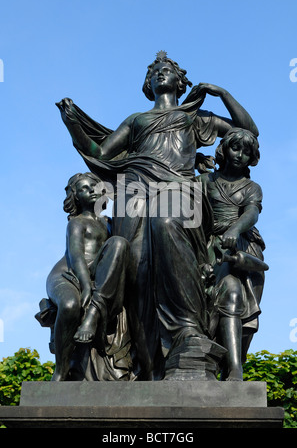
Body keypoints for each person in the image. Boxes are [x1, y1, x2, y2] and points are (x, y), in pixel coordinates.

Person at [56, 51, 259, 380]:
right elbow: (100, 152)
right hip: (135, 190)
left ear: (180, 82)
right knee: (135, 263)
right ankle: (147, 365)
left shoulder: (195, 117)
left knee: (165, 224)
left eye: (167, 71)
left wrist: (221, 93)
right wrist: (73, 125)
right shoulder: (136, 120)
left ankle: (188, 333)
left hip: (181, 191)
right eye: (155, 72)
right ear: (148, 84)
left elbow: (249, 130)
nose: (160, 74)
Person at [45, 172, 130, 381]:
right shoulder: (76, 223)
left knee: (119, 242)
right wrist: (85, 286)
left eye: (94, 186)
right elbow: (76, 257)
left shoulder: (111, 224)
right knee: (69, 306)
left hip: (95, 275)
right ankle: (61, 370)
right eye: (84, 188)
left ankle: (93, 316)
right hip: (67, 275)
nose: (91, 190)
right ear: (75, 196)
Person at [198, 128, 267, 381]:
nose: (239, 155)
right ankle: (230, 367)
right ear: (223, 150)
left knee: (241, 304)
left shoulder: (252, 187)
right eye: (235, 148)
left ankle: (235, 366)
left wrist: (235, 228)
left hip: (243, 247)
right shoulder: (204, 182)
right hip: (210, 247)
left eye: (246, 152)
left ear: (252, 158)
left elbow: (252, 213)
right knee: (229, 294)